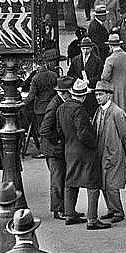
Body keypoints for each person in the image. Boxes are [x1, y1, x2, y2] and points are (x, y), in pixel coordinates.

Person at [60, 80, 108, 230]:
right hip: (85, 152)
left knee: (70, 181)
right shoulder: (79, 110)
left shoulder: (61, 108)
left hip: (69, 149)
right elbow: (83, 133)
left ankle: (69, 214)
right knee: (93, 184)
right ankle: (92, 219)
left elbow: (58, 129)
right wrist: (94, 144)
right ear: (83, 96)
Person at [94, 82, 126, 225]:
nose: (98, 97)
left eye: (100, 94)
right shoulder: (99, 110)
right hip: (102, 153)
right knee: (103, 183)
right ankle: (111, 209)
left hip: (114, 153)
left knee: (112, 184)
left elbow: (125, 135)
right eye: (96, 94)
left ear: (109, 95)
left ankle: (118, 211)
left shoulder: (117, 112)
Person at [39, 78, 72, 220]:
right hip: (53, 150)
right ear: (64, 93)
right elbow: (44, 129)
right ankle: (58, 209)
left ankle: (64, 208)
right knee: (57, 180)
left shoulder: (58, 102)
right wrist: (57, 140)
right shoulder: (55, 105)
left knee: (61, 178)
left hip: (55, 149)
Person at [101, 33, 126, 121]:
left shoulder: (110, 59)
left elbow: (104, 77)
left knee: (117, 113)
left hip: (115, 88)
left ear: (110, 46)